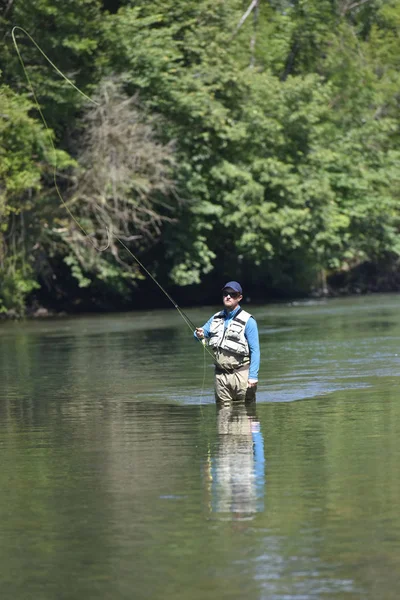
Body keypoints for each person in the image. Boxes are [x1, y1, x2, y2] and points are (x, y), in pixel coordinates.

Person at [195, 281, 260, 405]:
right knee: (223, 417)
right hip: (220, 377)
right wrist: (198, 334)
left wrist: (253, 376)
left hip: (242, 375)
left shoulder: (249, 321)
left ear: (239, 297)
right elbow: (199, 334)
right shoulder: (215, 318)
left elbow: (255, 351)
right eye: (225, 293)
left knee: (246, 414)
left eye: (232, 294)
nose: (228, 297)